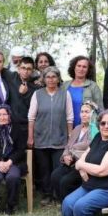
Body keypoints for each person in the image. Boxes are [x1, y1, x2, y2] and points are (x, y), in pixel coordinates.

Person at [28, 66, 73, 203]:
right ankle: (47, 194)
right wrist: (30, 137)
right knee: (44, 169)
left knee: (58, 170)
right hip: (41, 137)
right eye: (48, 77)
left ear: (58, 78)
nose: (51, 80)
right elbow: (31, 117)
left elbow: (69, 117)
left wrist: (70, 137)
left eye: (54, 77)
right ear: (44, 79)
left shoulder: (65, 94)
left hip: (60, 138)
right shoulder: (38, 94)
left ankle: (57, 195)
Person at [50, 102, 99, 201]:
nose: (84, 114)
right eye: (82, 112)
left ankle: (70, 203)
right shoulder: (77, 128)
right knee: (55, 176)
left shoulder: (95, 129)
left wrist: (71, 150)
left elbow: (88, 144)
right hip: (70, 162)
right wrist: (65, 156)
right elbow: (68, 145)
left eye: (87, 112)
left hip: (83, 164)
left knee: (65, 181)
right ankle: (62, 201)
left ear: (93, 114)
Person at [0, 105, 27, 214]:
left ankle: (11, 206)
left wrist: (8, 162)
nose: (2, 117)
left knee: (13, 176)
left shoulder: (17, 128)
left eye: (4, 114)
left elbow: (21, 150)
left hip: (13, 162)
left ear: (9, 115)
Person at [62, 56, 102, 127]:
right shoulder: (64, 86)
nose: (81, 69)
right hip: (66, 127)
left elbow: (100, 109)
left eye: (84, 67)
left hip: (86, 127)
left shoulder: (93, 86)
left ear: (88, 70)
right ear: (74, 67)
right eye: (79, 66)